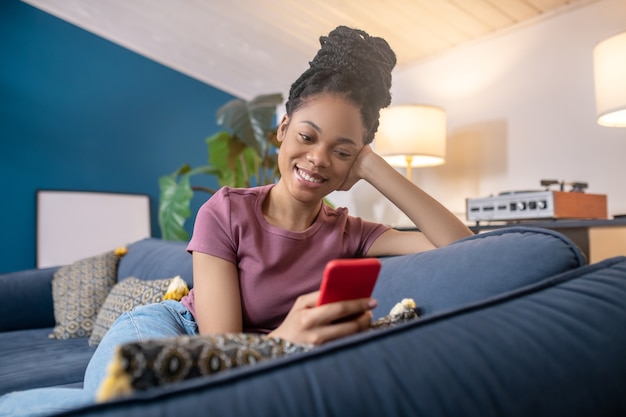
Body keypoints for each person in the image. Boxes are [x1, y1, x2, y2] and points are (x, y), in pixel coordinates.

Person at [0, 25, 472, 416]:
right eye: (307, 136)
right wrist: (286, 338)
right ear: (282, 130)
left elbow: (463, 247)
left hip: (253, 361)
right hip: (172, 330)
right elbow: (219, 346)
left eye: (342, 151)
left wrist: (374, 167)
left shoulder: (352, 233)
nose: (318, 158)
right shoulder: (226, 211)